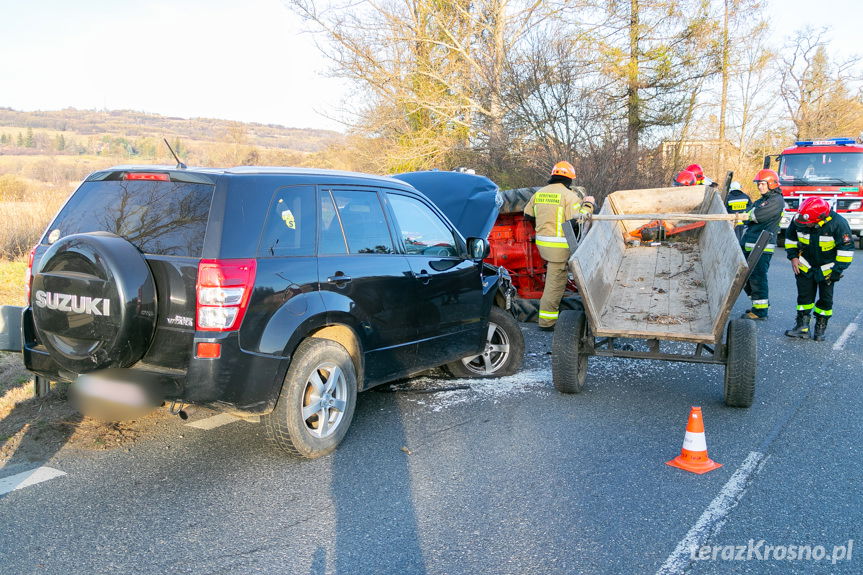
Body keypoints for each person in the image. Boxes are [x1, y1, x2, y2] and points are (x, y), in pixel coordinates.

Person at [524, 161, 595, 330]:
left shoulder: (539, 193)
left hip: (543, 244)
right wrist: (589, 204)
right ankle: (547, 322)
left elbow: (528, 215)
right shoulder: (569, 196)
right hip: (559, 248)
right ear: (569, 179)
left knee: (553, 280)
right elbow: (579, 220)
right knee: (554, 285)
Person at [783, 197, 854, 341]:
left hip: (828, 269)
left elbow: (846, 251)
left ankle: (820, 327)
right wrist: (793, 257)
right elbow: (790, 239)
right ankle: (802, 326)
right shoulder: (800, 219)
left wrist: (837, 271)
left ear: (821, 218)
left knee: (825, 300)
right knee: (804, 297)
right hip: (805, 265)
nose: (806, 224)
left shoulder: (838, 223)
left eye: (809, 222)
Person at [739, 169, 785, 320]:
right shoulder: (762, 200)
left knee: (757, 277)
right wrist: (748, 216)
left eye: (763, 184)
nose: (759, 187)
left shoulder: (776, 201)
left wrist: (748, 216)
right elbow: (748, 213)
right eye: (758, 184)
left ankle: (760, 311)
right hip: (751, 243)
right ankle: (759, 304)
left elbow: (756, 215)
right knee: (744, 278)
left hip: (762, 246)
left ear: (772, 184)